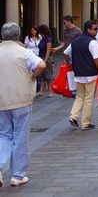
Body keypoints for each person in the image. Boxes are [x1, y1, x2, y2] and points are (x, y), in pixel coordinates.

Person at [0, 22, 46, 187]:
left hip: (1, 100)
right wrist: (33, 77)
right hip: (21, 99)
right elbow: (41, 65)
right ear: (18, 35)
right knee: (20, 135)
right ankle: (17, 175)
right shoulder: (23, 52)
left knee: (4, 134)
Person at [64, 20, 98, 130]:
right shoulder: (92, 42)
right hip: (91, 73)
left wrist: (68, 63)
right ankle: (85, 122)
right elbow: (96, 59)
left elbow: (66, 53)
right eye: (95, 29)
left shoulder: (75, 41)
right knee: (89, 98)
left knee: (80, 96)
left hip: (78, 73)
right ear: (88, 30)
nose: (97, 31)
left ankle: (73, 116)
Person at [38, 25, 54, 97]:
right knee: (41, 75)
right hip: (41, 57)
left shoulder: (48, 39)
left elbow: (48, 51)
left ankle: (50, 92)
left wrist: (45, 60)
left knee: (48, 75)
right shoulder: (43, 39)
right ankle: (41, 91)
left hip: (46, 58)